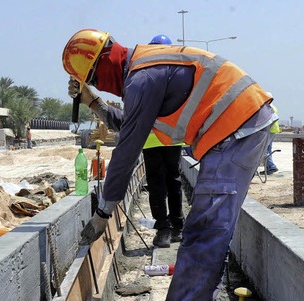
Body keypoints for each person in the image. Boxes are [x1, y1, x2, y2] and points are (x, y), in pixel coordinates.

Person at [62, 29, 277, 300]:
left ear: (105, 59)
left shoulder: (143, 77)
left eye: (94, 78)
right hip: (236, 129)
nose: (100, 85)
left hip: (237, 128)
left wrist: (104, 212)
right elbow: (127, 123)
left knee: (204, 231)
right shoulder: (141, 71)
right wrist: (92, 101)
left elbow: (126, 150)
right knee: (208, 231)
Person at [140, 34, 185, 248]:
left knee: (167, 182)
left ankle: (171, 227)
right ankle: (169, 227)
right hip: (158, 138)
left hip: (167, 138)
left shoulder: (148, 74)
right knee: (166, 182)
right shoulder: (174, 74)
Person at [261, 96, 280, 175]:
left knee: (264, 149)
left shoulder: (268, 107)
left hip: (269, 130)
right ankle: (268, 168)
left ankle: (271, 166)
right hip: (273, 130)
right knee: (268, 149)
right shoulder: (273, 107)